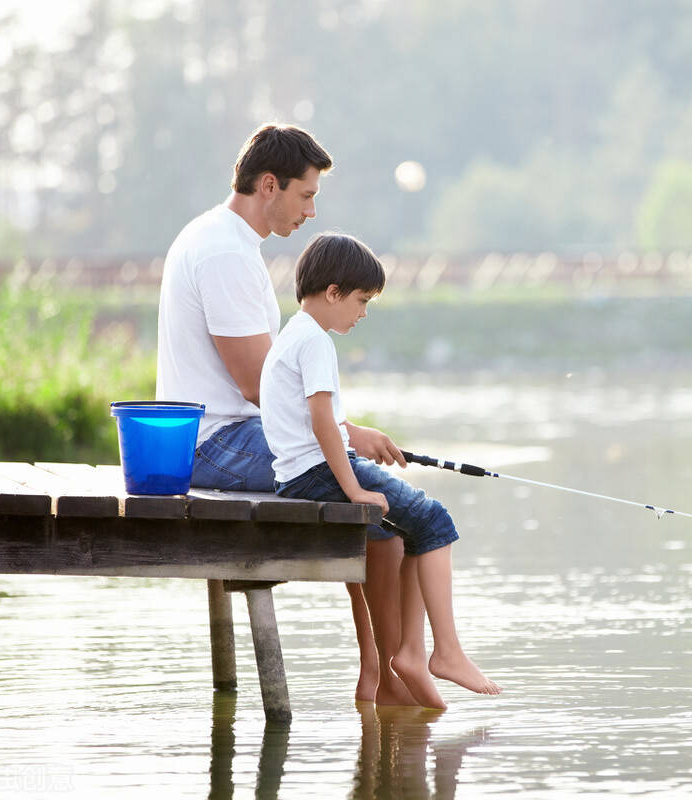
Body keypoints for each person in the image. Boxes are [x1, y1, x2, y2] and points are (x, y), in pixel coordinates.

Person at [156, 123, 413, 705]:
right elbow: (257, 386)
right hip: (215, 444)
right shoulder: (224, 252)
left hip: (221, 434)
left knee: (364, 487)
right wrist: (346, 435)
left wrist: (345, 437)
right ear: (268, 185)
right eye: (305, 194)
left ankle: (380, 668)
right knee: (374, 496)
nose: (312, 211)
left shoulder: (220, 238)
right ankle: (383, 672)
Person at [261, 232, 501, 709]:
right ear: (332, 292)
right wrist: (352, 488)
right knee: (436, 521)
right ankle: (444, 652)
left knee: (415, 529)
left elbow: (319, 424)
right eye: (360, 300)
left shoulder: (293, 334)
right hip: (320, 474)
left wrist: (357, 454)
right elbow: (322, 423)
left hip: (298, 474)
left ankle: (411, 655)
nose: (363, 312)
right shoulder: (315, 343)